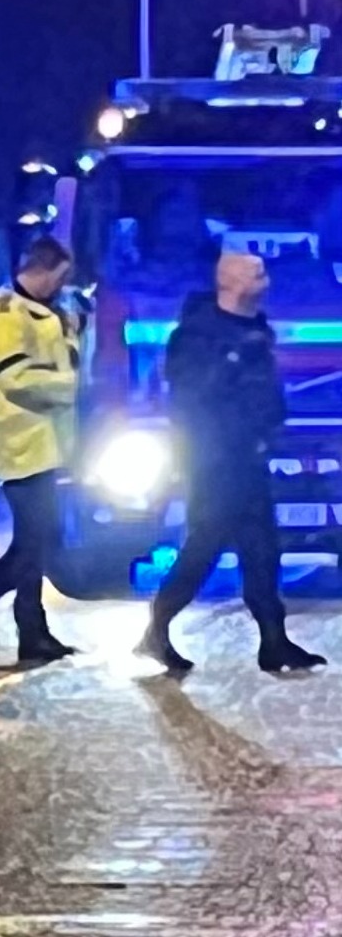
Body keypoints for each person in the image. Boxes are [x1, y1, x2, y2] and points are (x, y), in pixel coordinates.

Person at [136, 252, 326, 674]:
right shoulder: (196, 334)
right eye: (258, 273)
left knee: (263, 552)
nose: (267, 280)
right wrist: (234, 359)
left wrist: (270, 425)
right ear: (231, 282)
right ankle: (157, 630)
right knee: (202, 550)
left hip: (249, 459)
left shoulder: (256, 329)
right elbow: (189, 397)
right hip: (214, 464)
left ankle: (274, 643)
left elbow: (263, 393)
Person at [0, 238, 80, 662]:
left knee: (36, 540)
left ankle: (26, 628)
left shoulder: (50, 311)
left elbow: (66, 361)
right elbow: (18, 379)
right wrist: (72, 390)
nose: (65, 285)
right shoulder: (0, 314)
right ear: (44, 270)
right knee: (38, 540)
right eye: (62, 276)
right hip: (20, 442)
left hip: (47, 442)